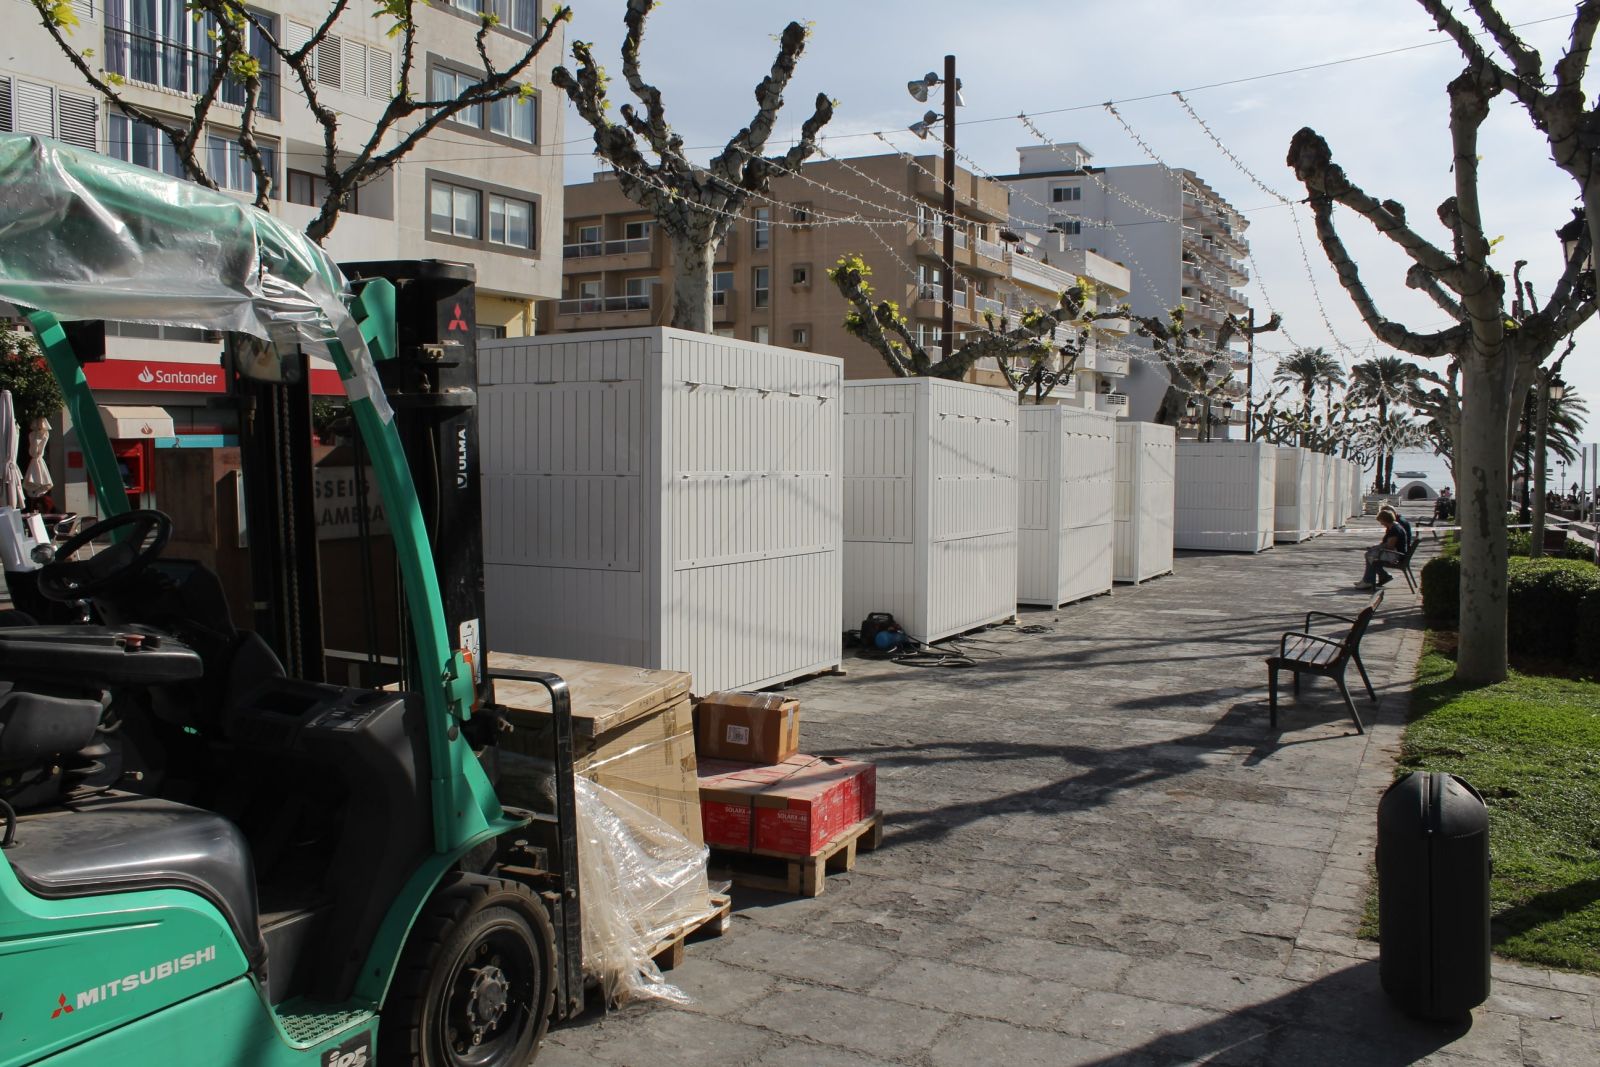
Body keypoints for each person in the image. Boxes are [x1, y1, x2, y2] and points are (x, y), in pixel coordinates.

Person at [1359, 507, 1407, 589]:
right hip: (1396, 552)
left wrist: (1378, 548)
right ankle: (1377, 578)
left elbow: (1390, 546)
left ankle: (1368, 581)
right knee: (1371, 554)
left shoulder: (1395, 530)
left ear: (1385, 520)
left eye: (1381, 521)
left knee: (1370, 556)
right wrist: (1376, 547)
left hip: (1396, 555)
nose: (1381, 524)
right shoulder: (1393, 527)